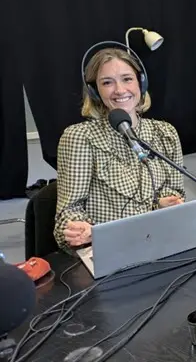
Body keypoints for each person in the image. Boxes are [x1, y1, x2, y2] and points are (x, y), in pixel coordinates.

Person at [54, 43, 185, 252]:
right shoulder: (79, 138)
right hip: (110, 250)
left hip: (159, 241)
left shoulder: (165, 133)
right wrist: (80, 229)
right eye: (107, 82)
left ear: (141, 84)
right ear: (94, 92)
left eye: (127, 79)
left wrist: (163, 204)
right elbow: (68, 213)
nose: (120, 90)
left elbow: (175, 190)